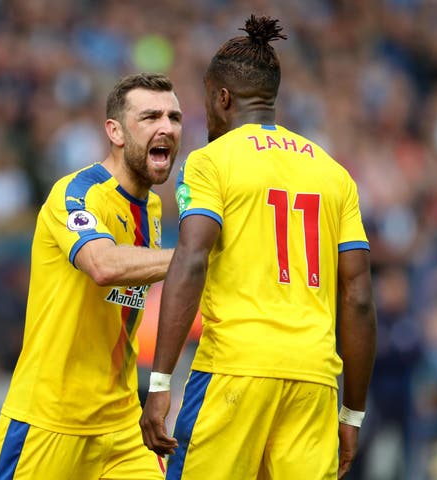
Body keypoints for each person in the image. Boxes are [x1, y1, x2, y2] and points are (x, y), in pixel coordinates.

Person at [139, 15, 377, 480]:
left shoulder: (210, 162)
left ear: (222, 98)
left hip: (234, 371)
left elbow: (190, 261)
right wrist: (352, 414)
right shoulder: (334, 174)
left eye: (207, 101)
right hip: (313, 379)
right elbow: (360, 298)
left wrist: (161, 382)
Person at [0, 72, 182, 479]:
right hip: (50, 421)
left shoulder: (151, 210)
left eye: (173, 117)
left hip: (122, 425)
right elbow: (103, 265)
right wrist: (195, 258)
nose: (166, 126)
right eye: (150, 117)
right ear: (114, 131)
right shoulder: (76, 193)